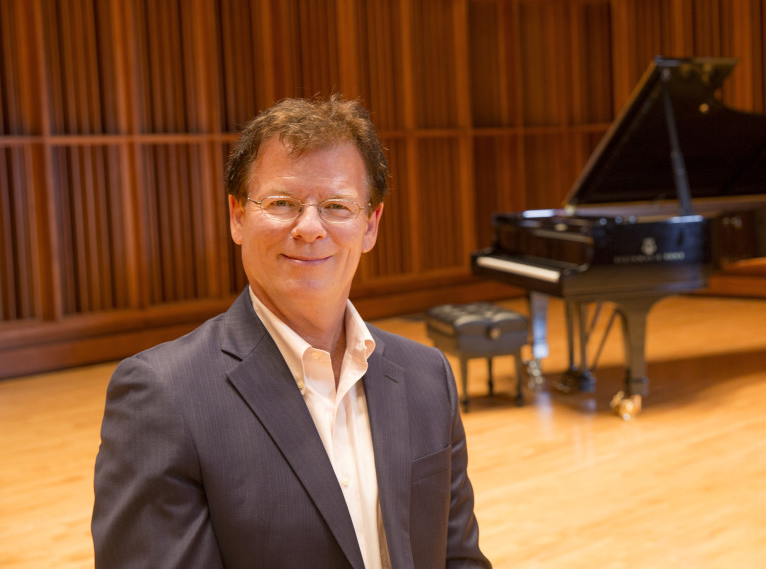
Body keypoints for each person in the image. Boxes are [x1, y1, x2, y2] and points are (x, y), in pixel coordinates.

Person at [92, 95, 491, 569]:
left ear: (371, 225)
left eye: (337, 206)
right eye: (282, 203)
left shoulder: (429, 377)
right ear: (238, 216)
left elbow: (460, 559)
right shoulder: (162, 396)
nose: (309, 228)